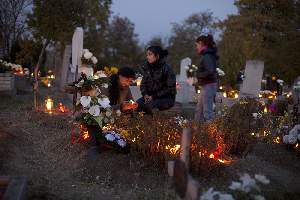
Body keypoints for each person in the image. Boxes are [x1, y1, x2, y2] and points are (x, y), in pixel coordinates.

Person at [137, 46, 176, 115]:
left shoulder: (167, 69)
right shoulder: (147, 68)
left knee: (149, 106)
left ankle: (152, 124)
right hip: (149, 97)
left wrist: (153, 96)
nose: (147, 57)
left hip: (166, 98)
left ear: (157, 56)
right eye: (147, 55)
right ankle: (138, 124)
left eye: (150, 54)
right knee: (136, 105)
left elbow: (170, 88)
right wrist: (145, 95)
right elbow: (143, 84)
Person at [194, 34, 218, 123]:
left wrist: (198, 75)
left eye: (196, 45)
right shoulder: (207, 55)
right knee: (199, 111)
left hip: (208, 86)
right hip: (206, 86)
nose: (196, 48)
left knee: (207, 113)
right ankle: (197, 131)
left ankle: (211, 134)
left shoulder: (207, 56)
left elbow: (210, 71)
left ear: (201, 43)